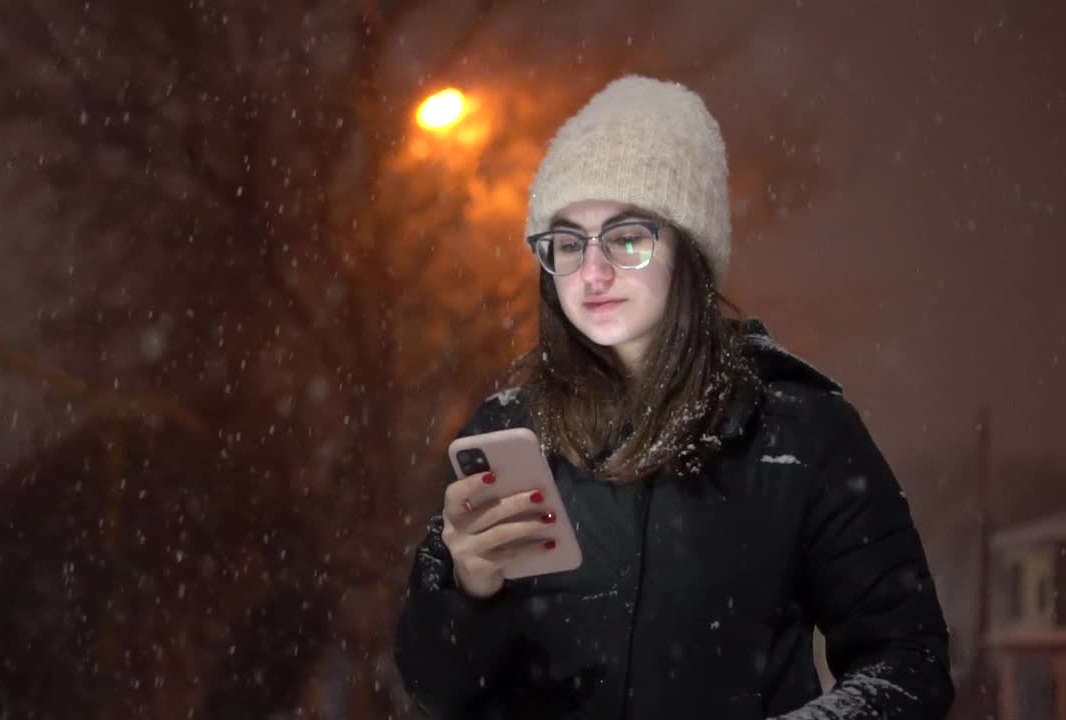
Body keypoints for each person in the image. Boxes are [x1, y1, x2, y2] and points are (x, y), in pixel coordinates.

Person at [393, 76, 954, 719]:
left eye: (627, 238)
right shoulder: (508, 434)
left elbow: (909, 666)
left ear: (689, 250)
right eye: (569, 243)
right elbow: (435, 689)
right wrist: (464, 591)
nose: (593, 272)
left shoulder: (801, 435)